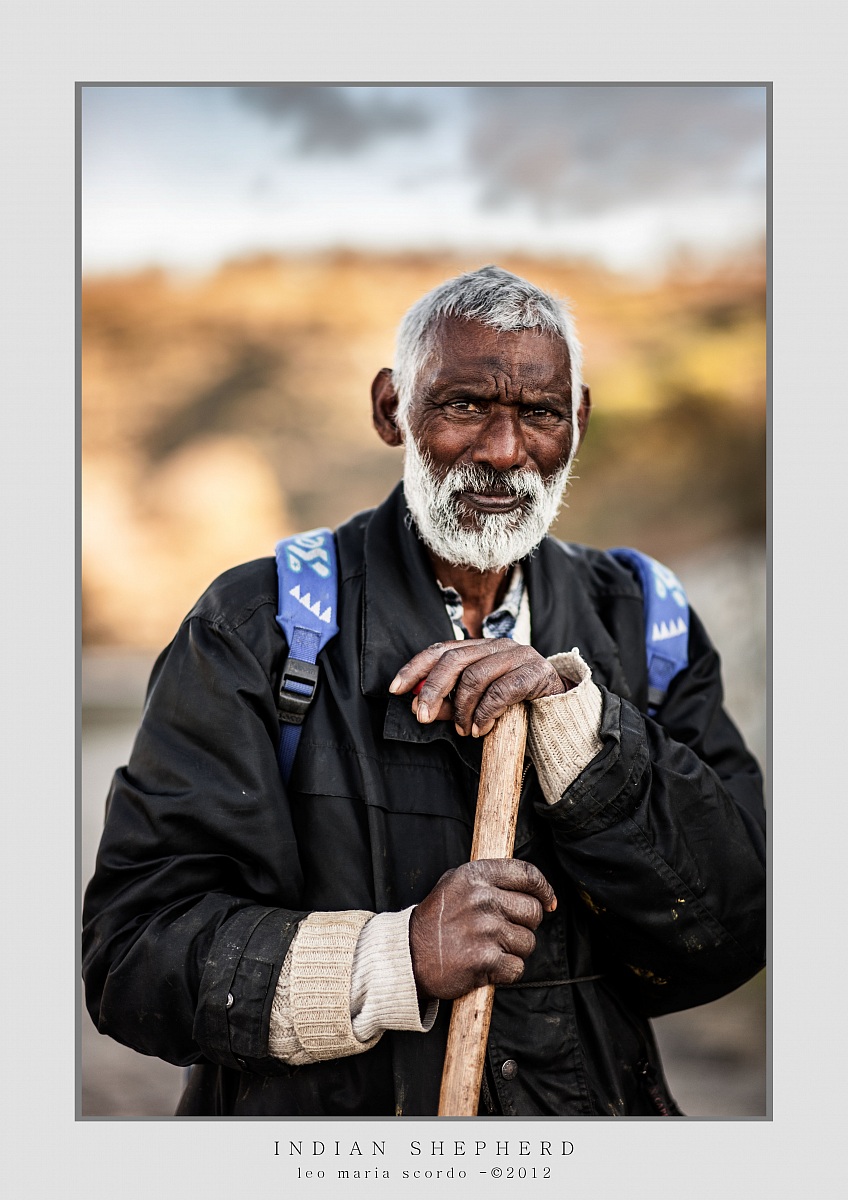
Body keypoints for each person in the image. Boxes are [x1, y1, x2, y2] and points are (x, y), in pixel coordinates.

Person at [82, 265, 766, 1117]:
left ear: (578, 422)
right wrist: (398, 953)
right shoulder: (253, 625)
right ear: (390, 410)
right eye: (466, 405)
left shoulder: (645, 620)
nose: (505, 452)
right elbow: (132, 954)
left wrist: (580, 732)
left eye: (541, 414)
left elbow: (737, 928)